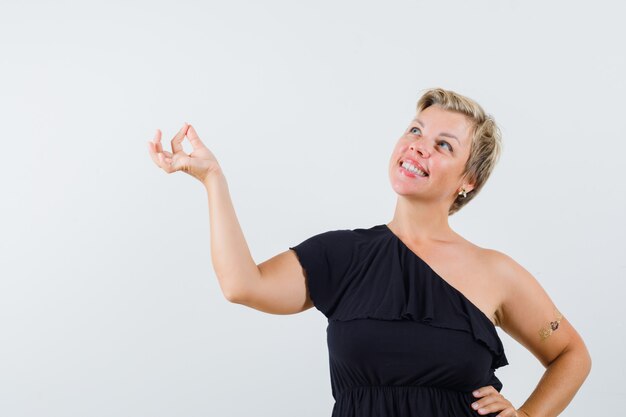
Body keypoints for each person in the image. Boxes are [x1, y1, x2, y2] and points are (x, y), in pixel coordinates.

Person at [146, 87, 592, 417]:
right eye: (416, 130)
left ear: (467, 180)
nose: (418, 144)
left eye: (443, 145)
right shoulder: (344, 255)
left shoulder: (497, 273)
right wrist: (213, 179)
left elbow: (571, 355)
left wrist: (528, 416)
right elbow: (242, 285)